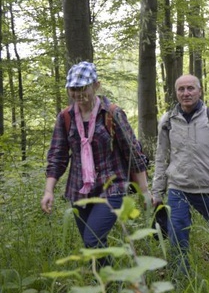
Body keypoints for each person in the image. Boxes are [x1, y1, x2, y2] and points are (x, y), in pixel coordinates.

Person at [42, 61, 149, 269]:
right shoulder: (65, 117)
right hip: (79, 190)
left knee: (92, 240)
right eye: (73, 89)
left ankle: (112, 285)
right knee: (92, 244)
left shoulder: (111, 113)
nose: (78, 94)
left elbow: (132, 152)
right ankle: (108, 287)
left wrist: (144, 191)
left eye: (83, 88)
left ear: (96, 85)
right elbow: (57, 155)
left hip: (112, 187)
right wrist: (49, 190)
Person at [151, 74, 209, 273]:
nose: (186, 93)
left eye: (190, 88)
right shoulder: (168, 120)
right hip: (178, 188)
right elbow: (161, 157)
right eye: (181, 89)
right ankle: (182, 276)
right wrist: (157, 191)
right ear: (176, 92)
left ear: (200, 90)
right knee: (177, 233)